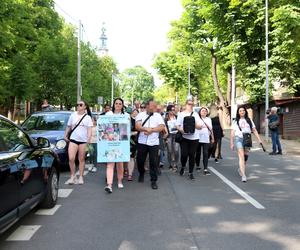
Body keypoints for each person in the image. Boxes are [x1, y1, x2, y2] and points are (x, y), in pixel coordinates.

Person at [135, 100, 165, 190]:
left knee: (154, 162)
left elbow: (161, 127)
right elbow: (137, 126)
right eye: (153, 106)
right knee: (140, 161)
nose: (155, 108)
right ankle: (141, 172)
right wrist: (145, 129)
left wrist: (151, 130)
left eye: (156, 106)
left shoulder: (158, 116)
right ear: (147, 106)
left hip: (154, 143)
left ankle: (153, 181)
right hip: (142, 142)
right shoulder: (140, 115)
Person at [230, 106, 263, 182]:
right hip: (239, 139)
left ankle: (240, 169)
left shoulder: (249, 120)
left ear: (245, 111)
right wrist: (231, 143)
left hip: (247, 139)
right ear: (238, 112)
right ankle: (243, 175)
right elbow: (232, 133)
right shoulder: (235, 121)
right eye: (240, 111)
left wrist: (259, 140)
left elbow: (254, 130)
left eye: (243, 110)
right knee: (241, 157)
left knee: (245, 157)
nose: (242, 112)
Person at [64, 100, 93, 185]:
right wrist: (65, 135)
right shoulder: (73, 115)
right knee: (71, 158)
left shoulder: (87, 117)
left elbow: (89, 130)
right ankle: (72, 176)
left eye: (81, 105)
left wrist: (88, 139)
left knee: (81, 159)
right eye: (77, 105)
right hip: (73, 140)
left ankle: (80, 176)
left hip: (83, 141)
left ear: (85, 107)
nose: (78, 106)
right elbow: (68, 126)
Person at [104, 98, 129, 193]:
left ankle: (119, 180)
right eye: (116, 103)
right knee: (110, 163)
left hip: (121, 142)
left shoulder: (126, 115)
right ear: (113, 104)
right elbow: (104, 126)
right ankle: (109, 185)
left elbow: (126, 129)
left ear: (122, 105)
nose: (118, 105)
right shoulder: (108, 114)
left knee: (119, 163)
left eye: (120, 103)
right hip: (110, 141)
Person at [176, 99, 202, 180]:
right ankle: (183, 166)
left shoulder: (196, 114)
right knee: (184, 154)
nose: (190, 106)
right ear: (185, 105)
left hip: (194, 138)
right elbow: (177, 125)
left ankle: (191, 172)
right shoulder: (181, 114)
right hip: (184, 138)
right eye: (189, 104)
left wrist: (193, 125)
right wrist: (181, 130)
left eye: (192, 104)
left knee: (192, 155)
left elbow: (200, 126)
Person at [195, 107, 214, 175]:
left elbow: (211, 129)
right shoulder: (197, 119)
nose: (204, 112)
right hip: (198, 138)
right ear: (200, 112)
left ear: (207, 112)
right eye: (202, 111)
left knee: (205, 153)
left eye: (205, 111)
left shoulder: (209, 119)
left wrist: (212, 138)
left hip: (206, 138)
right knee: (198, 153)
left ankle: (205, 169)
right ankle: (197, 165)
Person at [165, 104, 180, 171]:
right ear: (168, 111)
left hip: (176, 135)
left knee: (176, 150)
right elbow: (163, 128)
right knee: (170, 150)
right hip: (169, 136)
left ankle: (175, 164)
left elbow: (180, 125)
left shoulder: (177, 117)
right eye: (171, 110)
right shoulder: (165, 118)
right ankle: (170, 164)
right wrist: (165, 138)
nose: (173, 111)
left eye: (174, 110)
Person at [128, 109, 139, 181]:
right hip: (127, 141)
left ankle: (130, 174)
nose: (135, 113)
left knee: (132, 157)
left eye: (137, 112)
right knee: (126, 157)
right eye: (134, 112)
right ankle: (125, 170)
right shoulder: (128, 119)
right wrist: (132, 133)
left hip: (135, 141)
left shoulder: (139, 121)